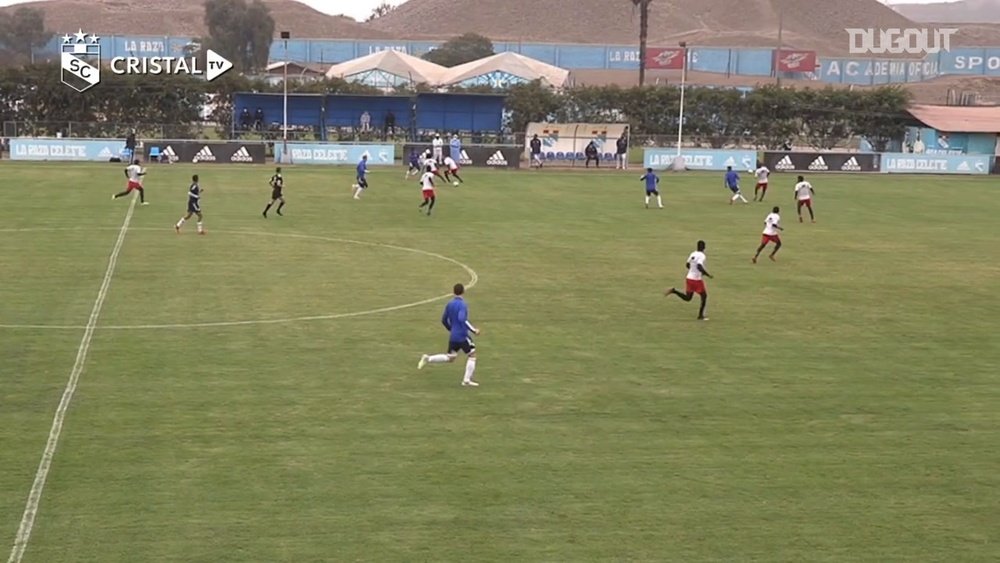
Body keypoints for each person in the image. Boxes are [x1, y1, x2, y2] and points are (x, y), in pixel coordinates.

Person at [417, 283, 481, 387]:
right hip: (462, 336)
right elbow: (462, 319)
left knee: (450, 357)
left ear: (453, 292)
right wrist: (474, 330)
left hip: (453, 336)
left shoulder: (449, 304)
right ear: (463, 291)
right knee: (472, 355)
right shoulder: (463, 305)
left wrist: (451, 329)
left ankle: (428, 358)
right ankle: (466, 380)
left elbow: (443, 320)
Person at [665, 240, 713, 321]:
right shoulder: (702, 255)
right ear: (703, 247)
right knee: (704, 296)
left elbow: (687, 264)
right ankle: (700, 316)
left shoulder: (693, 253)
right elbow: (699, 266)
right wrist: (706, 274)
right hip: (696, 280)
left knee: (688, 298)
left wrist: (693, 270)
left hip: (689, 278)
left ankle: (674, 291)